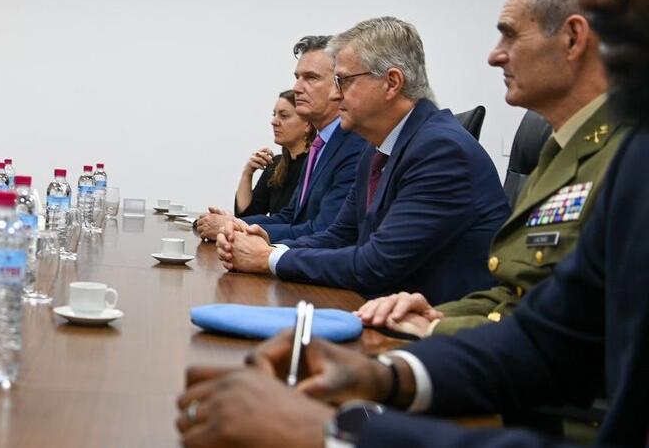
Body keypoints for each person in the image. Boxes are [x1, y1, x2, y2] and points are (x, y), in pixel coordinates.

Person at [174, 0, 649, 448]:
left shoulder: (446, 148)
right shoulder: (630, 154)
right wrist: (389, 376)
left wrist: (336, 435)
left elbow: (374, 263)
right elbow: (549, 334)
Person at [357, 0, 625, 338]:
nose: (495, 55)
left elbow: (581, 328)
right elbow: (514, 293)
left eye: (511, 36)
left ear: (572, 38)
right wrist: (434, 317)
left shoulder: (626, 158)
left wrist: (435, 332)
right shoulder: (558, 151)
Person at [216, 17, 509, 304]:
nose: (334, 95)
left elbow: (377, 263)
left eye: (343, 81)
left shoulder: (441, 150)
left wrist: (268, 258)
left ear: (391, 83)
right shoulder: (377, 149)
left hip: (432, 323)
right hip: (379, 306)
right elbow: (339, 236)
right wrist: (269, 246)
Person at [196, 36, 368, 242]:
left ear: (340, 84)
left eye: (311, 78)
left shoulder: (355, 146)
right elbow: (290, 217)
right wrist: (233, 223)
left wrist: (234, 228)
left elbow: (324, 231)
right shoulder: (320, 146)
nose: (297, 88)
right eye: (297, 77)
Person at [233, 90, 312, 218]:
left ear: (307, 124)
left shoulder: (316, 164)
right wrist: (247, 173)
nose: (274, 122)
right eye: (274, 115)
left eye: (284, 116)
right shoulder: (276, 164)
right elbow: (247, 216)